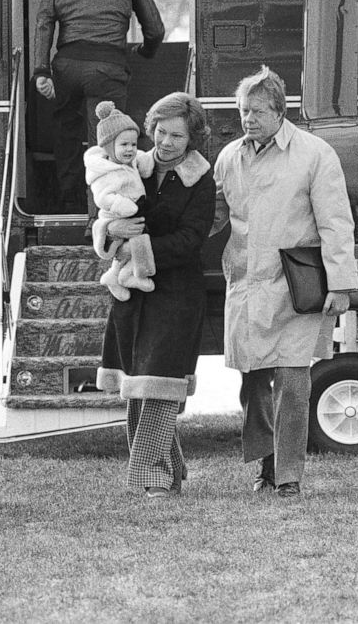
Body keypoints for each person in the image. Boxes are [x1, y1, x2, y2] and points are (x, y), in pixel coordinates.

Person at [210, 66, 358, 498]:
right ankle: (266, 466)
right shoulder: (228, 157)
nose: (248, 119)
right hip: (245, 282)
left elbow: (336, 223)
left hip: (297, 286)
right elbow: (216, 215)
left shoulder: (315, 154)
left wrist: (341, 285)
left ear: (280, 110)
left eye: (256, 111)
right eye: (242, 111)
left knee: (293, 383)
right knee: (253, 382)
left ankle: (289, 475)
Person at [95, 92, 215, 498]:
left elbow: (192, 239)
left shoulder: (202, 180)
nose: (165, 143)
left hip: (179, 292)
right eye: (161, 132)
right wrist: (109, 234)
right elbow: (101, 215)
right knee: (138, 382)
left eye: (176, 137)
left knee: (160, 381)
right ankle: (172, 470)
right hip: (133, 290)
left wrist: (138, 248)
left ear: (192, 138)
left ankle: (149, 475)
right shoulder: (131, 165)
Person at [33, 0, 165, 213]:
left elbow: (43, 24)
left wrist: (41, 71)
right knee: (106, 136)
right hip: (108, 67)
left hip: (66, 67)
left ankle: (69, 200)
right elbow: (155, 29)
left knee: (66, 130)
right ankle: (99, 212)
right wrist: (146, 51)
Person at [85, 100, 155, 301]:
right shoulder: (103, 171)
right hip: (117, 215)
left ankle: (117, 275)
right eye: (124, 144)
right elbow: (103, 197)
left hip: (134, 211)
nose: (130, 149)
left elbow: (142, 161)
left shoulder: (128, 161)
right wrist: (121, 205)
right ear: (108, 147)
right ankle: (125, 275)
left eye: (133, 144)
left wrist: (145, 160)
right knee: (137, 243)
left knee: (138, 244)